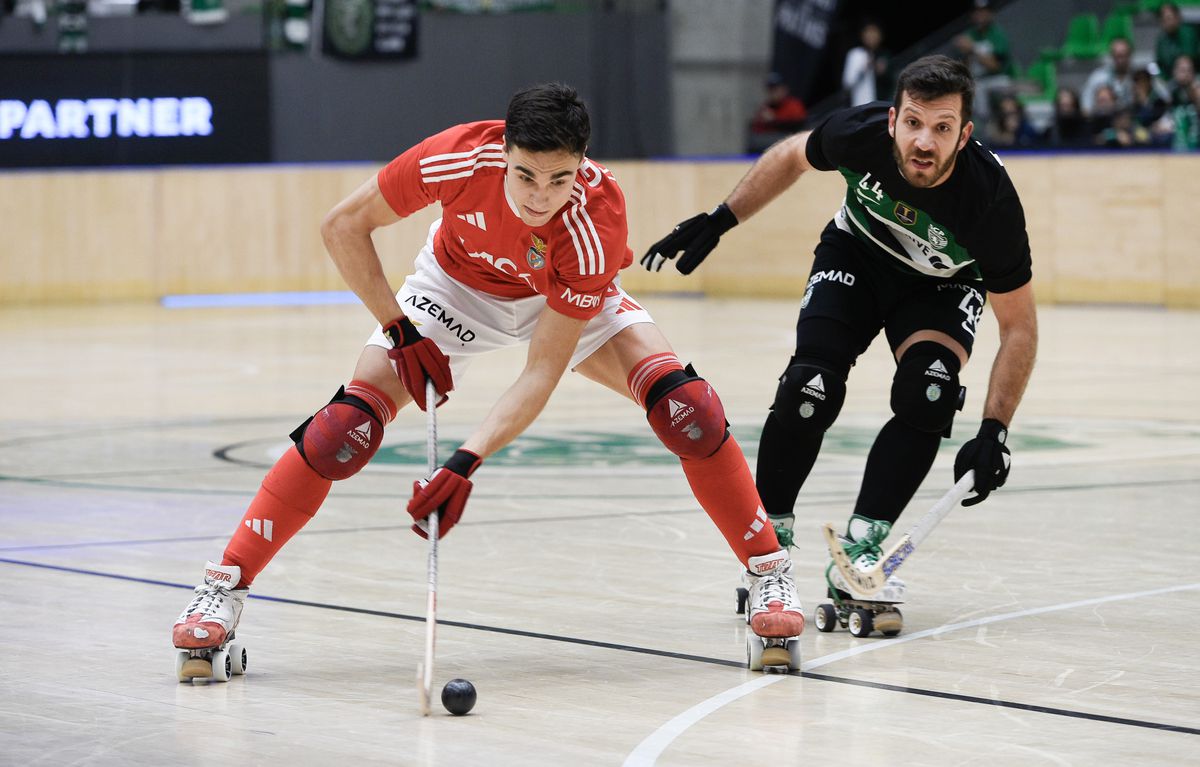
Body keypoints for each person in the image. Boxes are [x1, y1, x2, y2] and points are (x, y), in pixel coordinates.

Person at [171, 83, 805, 677]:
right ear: (503, 153)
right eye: (525, 174)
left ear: (581, 166)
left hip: (558, 299)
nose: (538, 196)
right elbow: (343, 225)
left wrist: (465, 461)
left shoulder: (593, 223)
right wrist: (399, 330)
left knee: (686, 409)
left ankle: (768, 569)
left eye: (559, 179)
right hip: (455, 290)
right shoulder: (456, 159)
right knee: (345, 427)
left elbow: (542, 371)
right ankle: (220, 588)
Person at [643, 55, 1037, 632]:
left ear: (965, 134)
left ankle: (862, 547)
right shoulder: (858, 133)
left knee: (930, 395)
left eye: (943, 128)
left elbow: (1020, 325)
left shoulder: (990, 201)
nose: (924, 141)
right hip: (856, 254)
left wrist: (994, 429)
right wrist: (720, 219)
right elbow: (790, 156)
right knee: (810, 386)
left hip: (941, 283)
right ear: (893, 121)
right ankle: (765, 549)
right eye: (913, 123)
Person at [747, 72, 808, 153]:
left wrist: (774, 121)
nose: (773, 93)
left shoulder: (794, 105)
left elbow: (798, 126)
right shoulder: (765, 108)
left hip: (790, 148)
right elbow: (757, 130)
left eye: (776, 89)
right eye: (770, 90)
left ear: (784, 89)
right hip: (768, 147)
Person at [842, 21, 891, 107]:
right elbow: (847, 83)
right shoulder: (855, 54)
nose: (871, 36)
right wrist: (863, 68)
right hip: (859, 106)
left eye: (874, 32)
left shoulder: (885, 55)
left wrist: (882, 72)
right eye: (868, 32)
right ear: (862, 35)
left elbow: (891, 81)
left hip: (881, 105)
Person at [1155, 2, 1197, 83]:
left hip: (1192, 78)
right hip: (1170, 80)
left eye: (1169, 18)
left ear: (1178, 17)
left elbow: (1186, 60)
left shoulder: (1187, 33)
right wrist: (1161, 77)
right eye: (1163, 19)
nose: (1167, 22)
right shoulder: (1162, 39)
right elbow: (1159, 63)